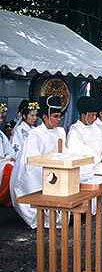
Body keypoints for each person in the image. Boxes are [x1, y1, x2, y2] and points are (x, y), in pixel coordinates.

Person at [10, 96, 66, 229]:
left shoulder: (61, 132)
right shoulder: (35, 134)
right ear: (45, 117)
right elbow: (31, 163)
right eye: (55, 116)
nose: (59, 120)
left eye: (60, 116)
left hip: (57, 170)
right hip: (37, 173)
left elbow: (65, 153)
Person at [0, 103, 16, 206]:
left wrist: (11, 157)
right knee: (9, 168)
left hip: (2, 160)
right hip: (2, 161)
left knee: (14, 167)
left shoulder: (1, 134)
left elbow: (9, 150)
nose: (1, 120)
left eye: (2, 117)